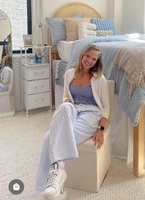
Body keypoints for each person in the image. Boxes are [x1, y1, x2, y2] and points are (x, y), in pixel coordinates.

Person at [36, 45, 110, 199]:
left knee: (50, 137)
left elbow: (106, 107)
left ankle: (57, 180)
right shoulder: (69, 73)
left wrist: (101, 129)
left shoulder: (99, 79)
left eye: (94, 59)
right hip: (73, 109)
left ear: (97, 62)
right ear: (82, 55)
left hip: (91, 113)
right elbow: (65, 97)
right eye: (87, 56)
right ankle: (58, 178)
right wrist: (68, 105)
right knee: (63, 107)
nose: (89, 60)